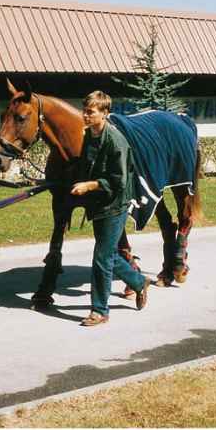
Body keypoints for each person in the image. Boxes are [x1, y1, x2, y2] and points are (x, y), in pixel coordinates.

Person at [71, 91, 152, 326]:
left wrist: (89, 185)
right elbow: (87, 166)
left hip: (116, 203)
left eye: (90, 112)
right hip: (98, 202)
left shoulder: (115, 141)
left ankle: (100, 310)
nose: (85, 115)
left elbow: (119, 181)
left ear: (104, 113)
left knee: (101, 257)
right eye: (84, 110)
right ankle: (138, 282)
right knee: (109, 255)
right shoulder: (89, 135)